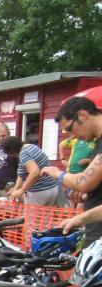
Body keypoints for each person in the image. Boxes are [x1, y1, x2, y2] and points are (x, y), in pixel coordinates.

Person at [45, 97, 102, 241]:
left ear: (82, 115)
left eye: (70, 129)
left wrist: (57, 174)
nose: (72, 136)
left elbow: (84, 182)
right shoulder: (98, 143)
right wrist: (87, 195)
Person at [2, 136, 61, 206]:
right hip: (52, 188)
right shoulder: (31, 147)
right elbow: (21, 175)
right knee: (48, 213)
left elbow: (35, 172)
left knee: (31, 213)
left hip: (39, 192)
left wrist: (22, 190)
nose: (11, 156)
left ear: (12, 150)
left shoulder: (24, 154)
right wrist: (15, 190)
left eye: (9, 153)